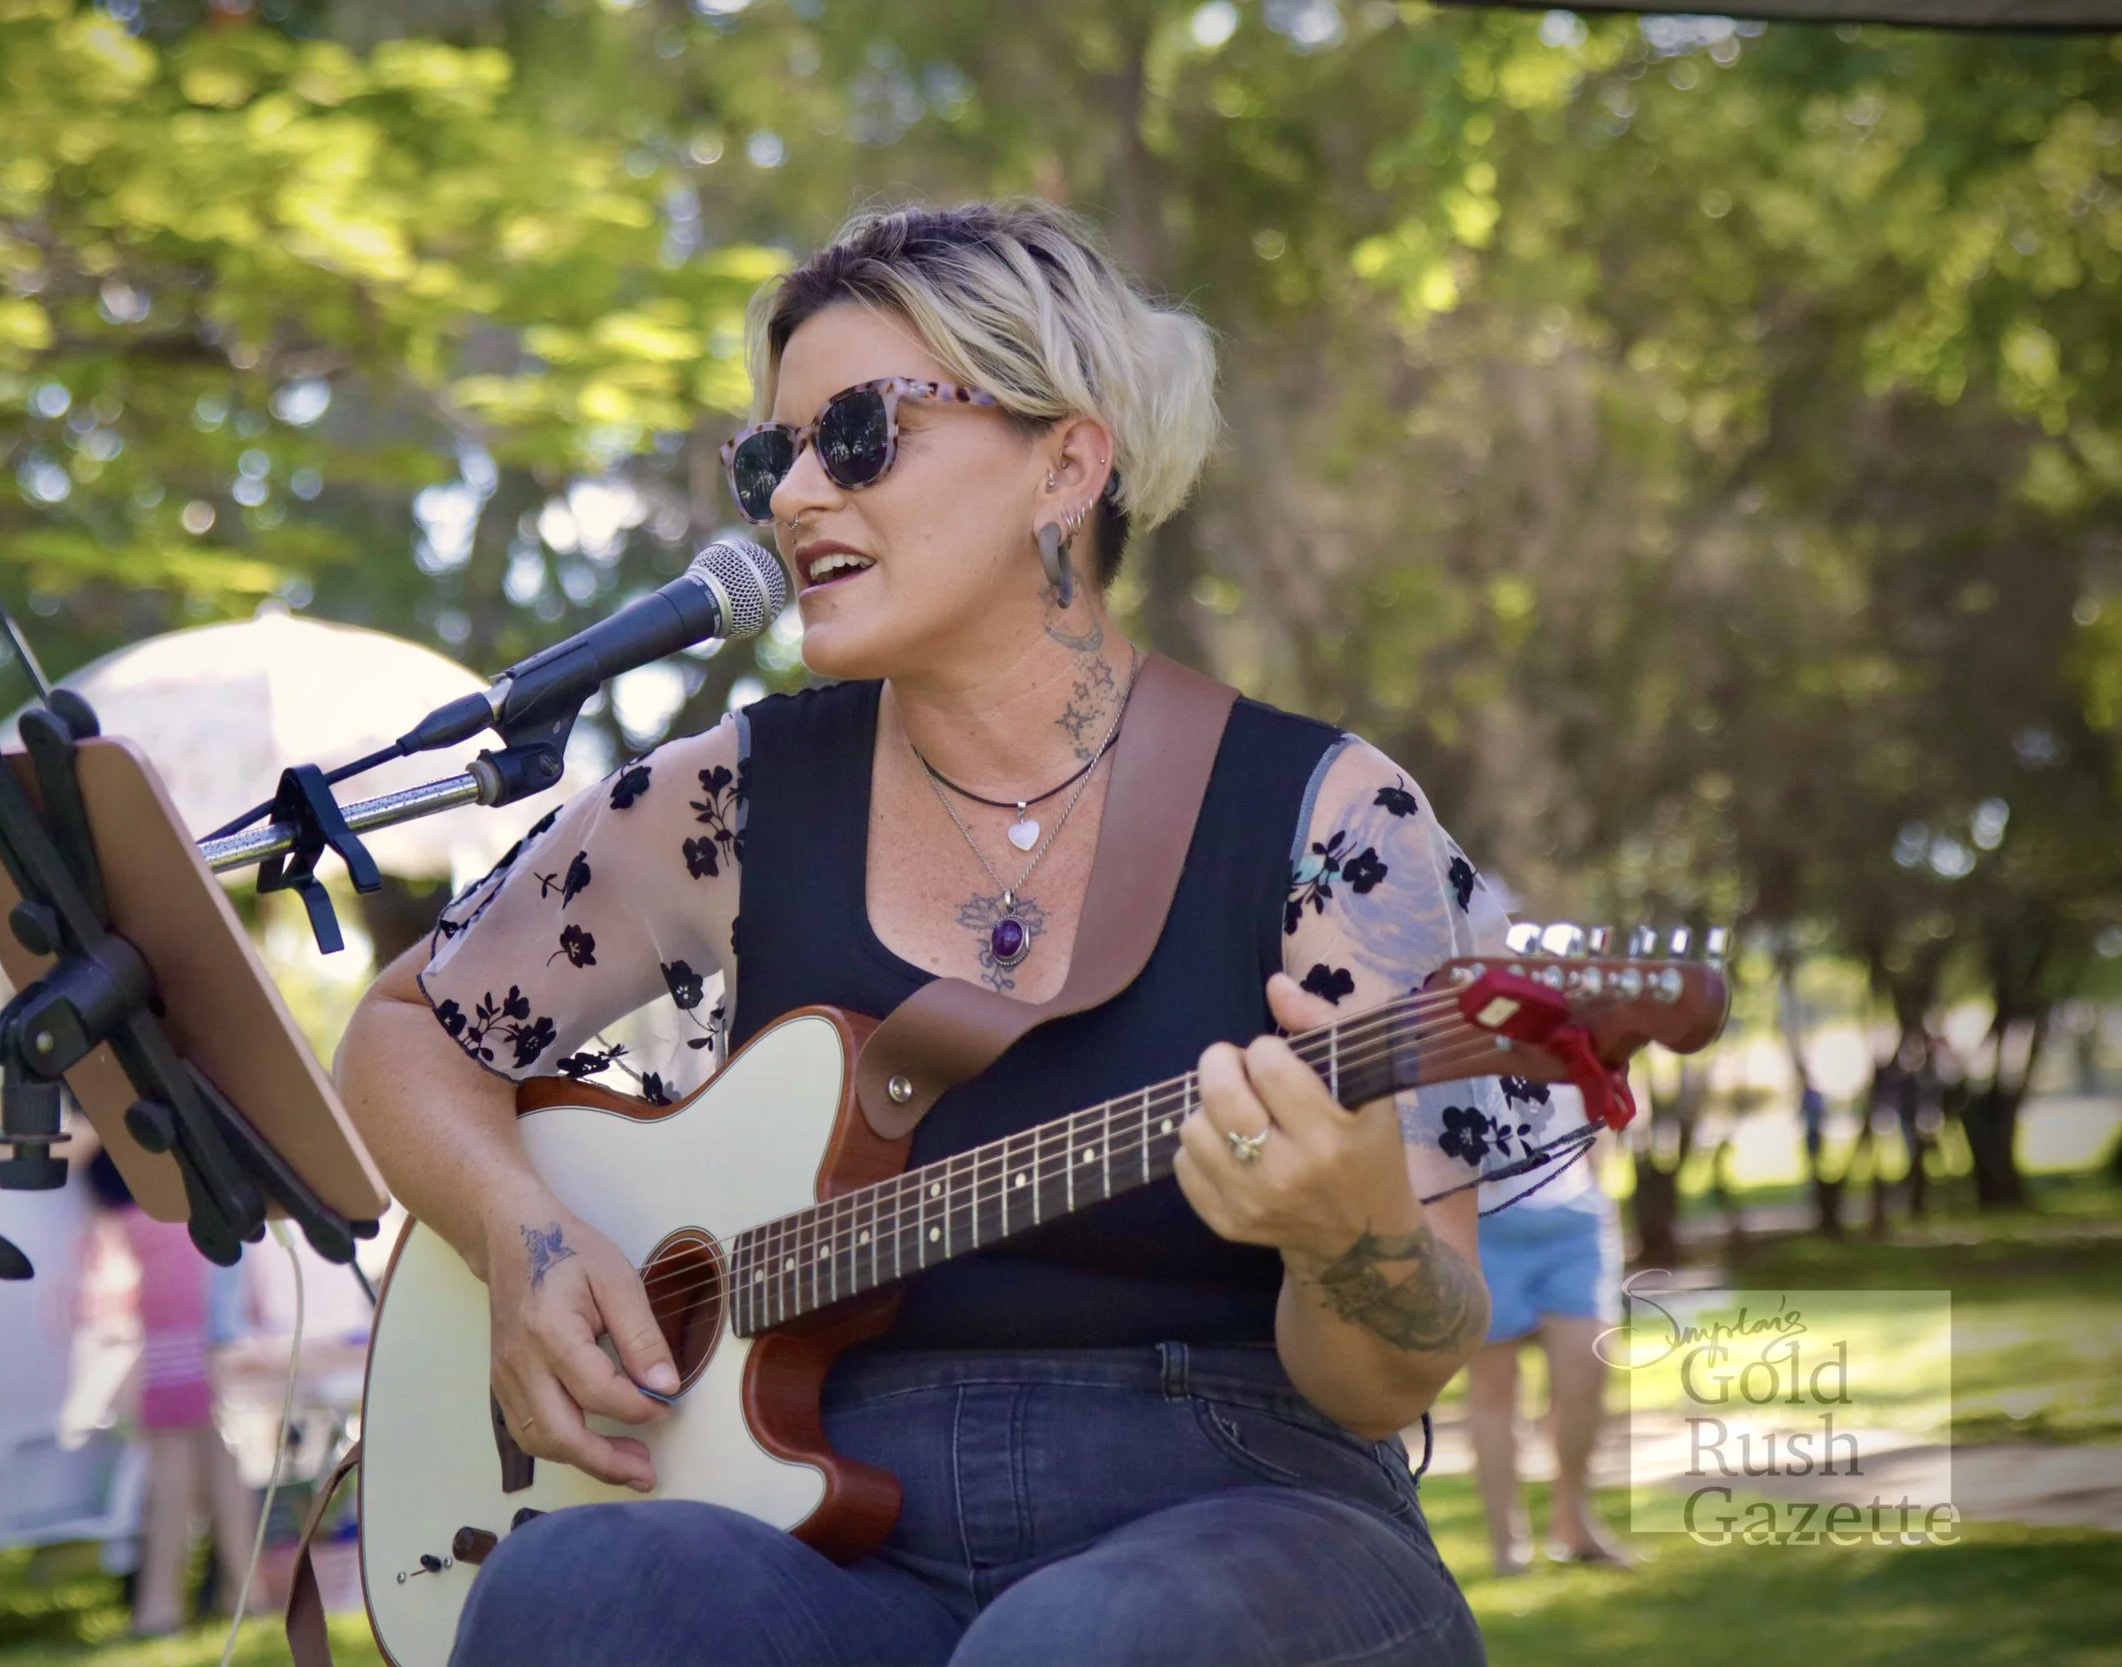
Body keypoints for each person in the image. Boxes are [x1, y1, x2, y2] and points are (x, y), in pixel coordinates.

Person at [339, 201, 1578, 1667]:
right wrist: (523, 1233)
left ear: (1067, 464)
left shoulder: (1326, 812)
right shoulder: (727, 799)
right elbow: (410, 1026)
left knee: (1077, 1640)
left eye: (859, 434)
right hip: (819, 1524)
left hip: (1243, 1506)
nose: (798, 496)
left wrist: (1345, 1230)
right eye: (770, 457)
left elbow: (1388, 1377)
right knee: (574, 1590)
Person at [82, 1150, 258, 1638]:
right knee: (204, 1435)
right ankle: (245, 1594)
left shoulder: (92, 1105)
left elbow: (72, 1146)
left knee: (171, 1439)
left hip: (169, 1246)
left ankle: (160, 1609)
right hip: (188, 1236)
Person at [1461, 1118, 1632, 1575]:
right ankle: (1507, 1544)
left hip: (1575, 1215)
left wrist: (1598, 1187)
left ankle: (1574, 1523)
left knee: (1587, 1368)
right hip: (1483, 1218)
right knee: (1494, 1387)